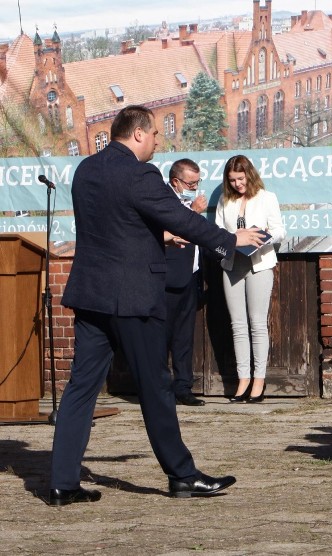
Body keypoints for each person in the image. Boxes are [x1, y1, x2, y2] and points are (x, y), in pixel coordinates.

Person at [49, 105, 264, 506]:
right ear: (138, 134)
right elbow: (181, 219)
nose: (157, 143)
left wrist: (154, 238)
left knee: (80, 388)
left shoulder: (86, 170)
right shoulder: (139, 173)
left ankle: (62, 482)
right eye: (154, 136)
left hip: (92, 294)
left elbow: (119, 227)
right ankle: (182, 476)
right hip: (131, 296)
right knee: (156, 386)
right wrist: (231, 240)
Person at [215, 154, 286, 403]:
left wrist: (261, 237)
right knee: (237, 326)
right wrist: (233, 237)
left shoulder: (267, 198)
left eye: (241, 178)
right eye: (232, 180)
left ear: (250, 175)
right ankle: (242, 379)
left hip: (259, 263)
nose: (237, 184)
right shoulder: (225, 200)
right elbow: (218, 233)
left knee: (257, 324)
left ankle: (259, 380)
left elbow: (279, 231)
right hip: (233, 264)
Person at [164, 159, 207, 406]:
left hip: (190, 275)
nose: (195, 187)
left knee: (184, 336)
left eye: (197, 182)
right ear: (176, 182)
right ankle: (160, 388)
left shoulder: (186, 199)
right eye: (191, 183)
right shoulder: (164, 198)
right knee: (162, 336)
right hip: (168, 277)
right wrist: (195, 212)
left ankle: (183, 386)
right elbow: (175, 227)